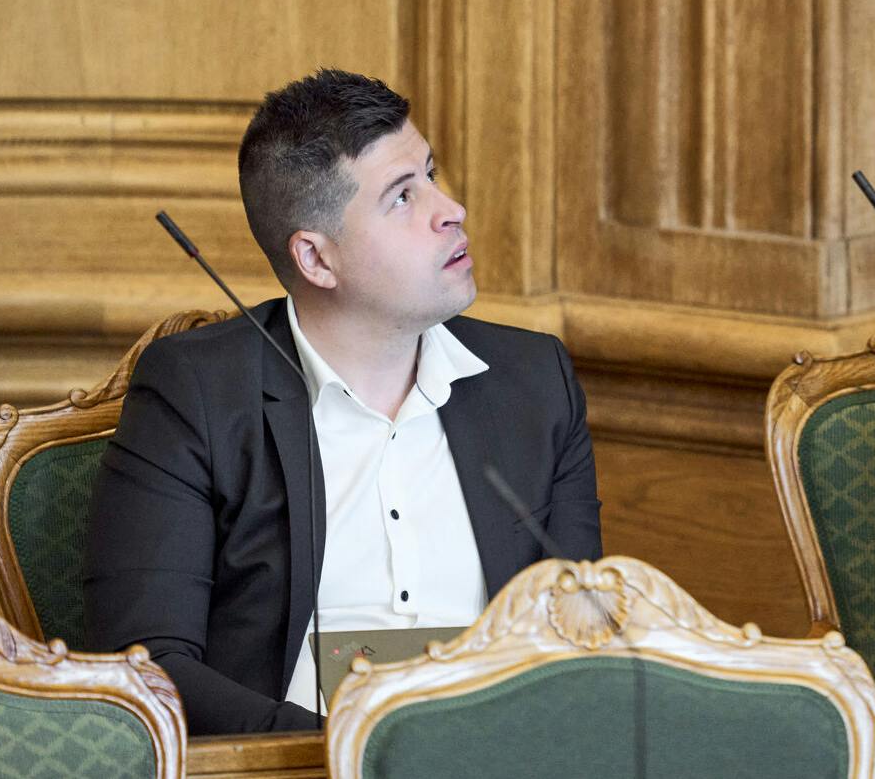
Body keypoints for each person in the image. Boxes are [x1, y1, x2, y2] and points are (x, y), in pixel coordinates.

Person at [84, 69, 600, 733]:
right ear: (317, 259)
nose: (451, 209)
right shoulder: (198, 395)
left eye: (432, 174)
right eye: (402, 197)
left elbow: (586, 637)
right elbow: (145, 665)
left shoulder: (535, 381)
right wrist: (350, 752)